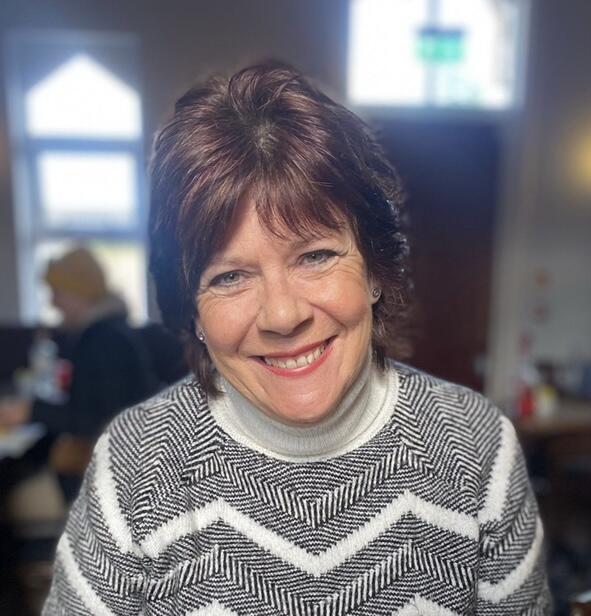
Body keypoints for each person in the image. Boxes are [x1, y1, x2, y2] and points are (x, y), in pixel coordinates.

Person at [41, 63, 551, 614]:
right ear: (192, 312)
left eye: (315, 256)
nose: (282, 315)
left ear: (375, 270)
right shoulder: (134, 464)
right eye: (228, 277)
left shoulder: (478, 448)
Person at [0, 246, 160, 500]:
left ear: (79, 294)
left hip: (112, 476)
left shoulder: (104, 341)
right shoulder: (108, 333)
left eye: (57, 293)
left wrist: (31, 411)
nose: (52, 302)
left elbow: (100, 421)